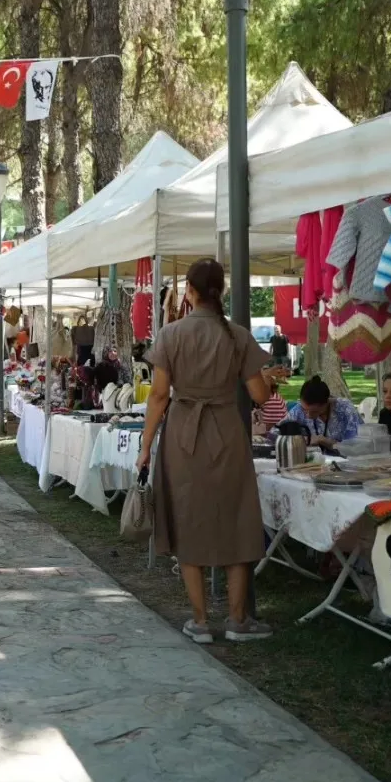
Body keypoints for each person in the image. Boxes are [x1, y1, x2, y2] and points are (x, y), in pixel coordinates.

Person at [135, 258, 283, 643]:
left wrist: (146, 445)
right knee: (237, 518)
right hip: (228, 431)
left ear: (190, 290)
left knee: (188, 518)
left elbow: (159, 395)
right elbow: (259, 396)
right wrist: (263, 379)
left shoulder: (170, 334)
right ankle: (237, 620)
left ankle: (199, 621)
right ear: (222, 290)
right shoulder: (237, 335)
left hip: (183, 432)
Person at [286, 377, 361, 450]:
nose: (308, 415)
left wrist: (322, 440)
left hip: (345, 460)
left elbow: (355, 447)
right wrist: (298, 439)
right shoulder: (298, 410)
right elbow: (277, 434)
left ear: (326, 403)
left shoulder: (345, 409)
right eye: (304, 410)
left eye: (314, 411)